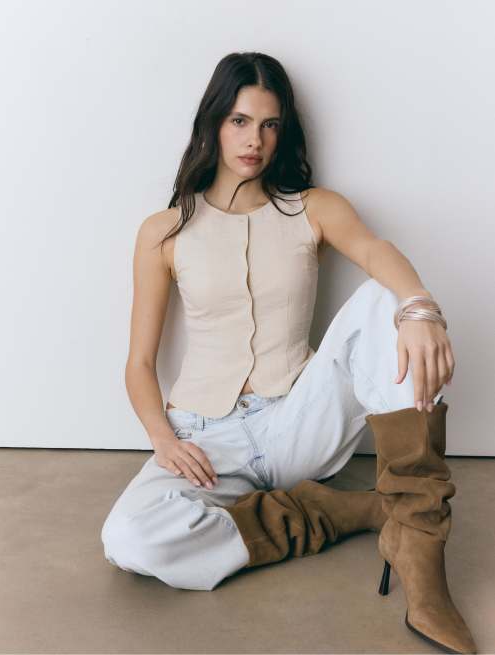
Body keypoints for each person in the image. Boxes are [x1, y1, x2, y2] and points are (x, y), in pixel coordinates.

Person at [101, 52, 476, 654]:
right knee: (128, 538)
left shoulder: (313, 207)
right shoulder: (164, 231)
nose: (255, 140)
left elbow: (375, 252)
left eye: (269, 124)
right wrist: (163, 440)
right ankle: (337, 514)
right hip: (205, 440)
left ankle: (419, 548)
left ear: (284, 132)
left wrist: (420, 309)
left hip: (298, 421)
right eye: (240, 121)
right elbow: (139, 365)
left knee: (386, 298)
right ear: (213, 124)